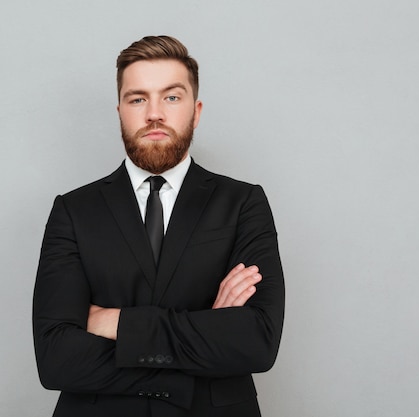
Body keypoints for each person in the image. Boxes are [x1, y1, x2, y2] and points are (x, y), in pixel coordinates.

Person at [33, 35, 285, 417]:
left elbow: (255, 342)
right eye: (138, 99)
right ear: (119, 110)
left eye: (171, 97)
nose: (154, 113)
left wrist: (113, 322)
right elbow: (56, 359)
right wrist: (205, 335)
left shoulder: (243, 204)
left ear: (195, 111)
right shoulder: (73, 210)